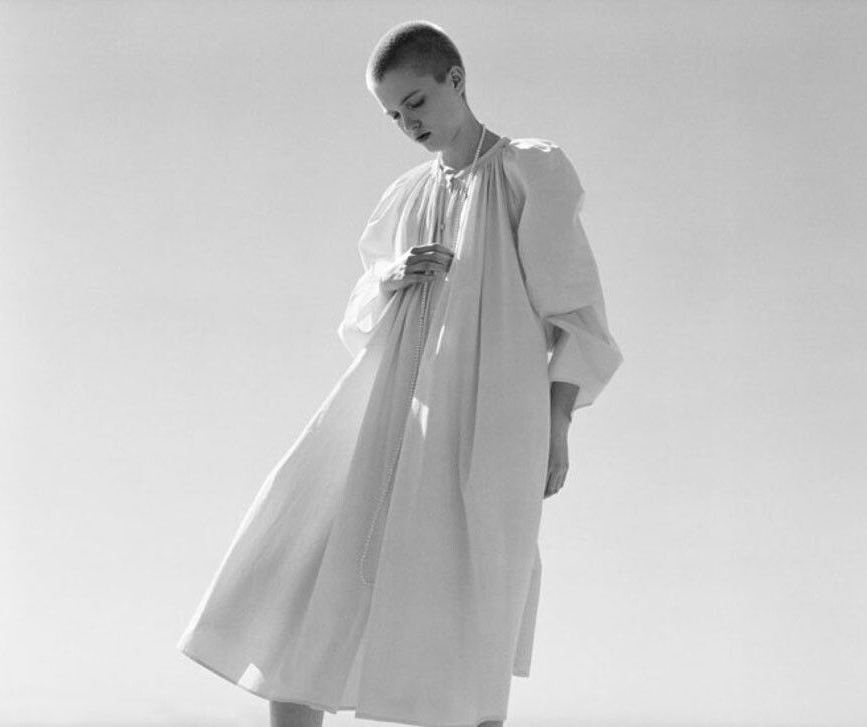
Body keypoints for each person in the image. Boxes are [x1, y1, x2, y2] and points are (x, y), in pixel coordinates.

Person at [176, 19, 622, 727]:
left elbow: (575, 311)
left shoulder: (528, 172)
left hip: (491, 425)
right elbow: (360, 319)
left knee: (469, 613)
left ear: (456, 80)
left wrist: (558, 422)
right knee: (303, 581)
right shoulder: (406, 195)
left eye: (415, 102)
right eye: (392, 114)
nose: (408, 124)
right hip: (393, 413)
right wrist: (393, 273)